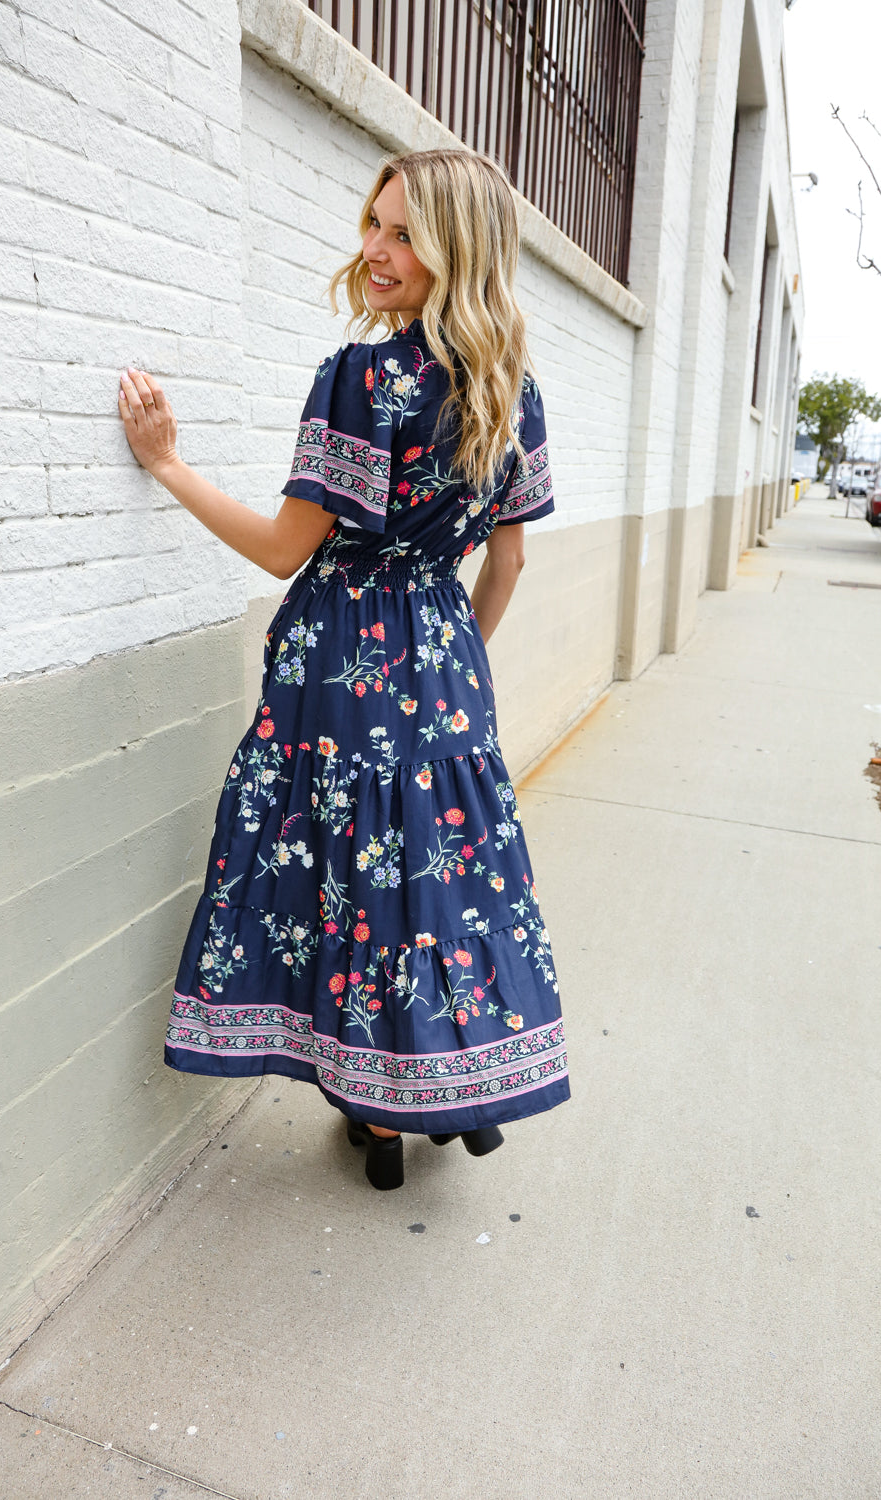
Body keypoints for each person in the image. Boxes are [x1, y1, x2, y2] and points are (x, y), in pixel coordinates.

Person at [118, 148, 569, 1191]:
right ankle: (463, 1087)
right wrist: (451, 673)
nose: (375, 250)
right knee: (449, 879)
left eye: (405, 234)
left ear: (458, 249)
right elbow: (508, 560)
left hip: (347, 664)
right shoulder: (514, 390)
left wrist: (167, 464)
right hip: (446, 659)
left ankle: (379, 1116)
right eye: (374, 223)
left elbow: (286, 549)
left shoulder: (363, 378)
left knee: (362, 885)